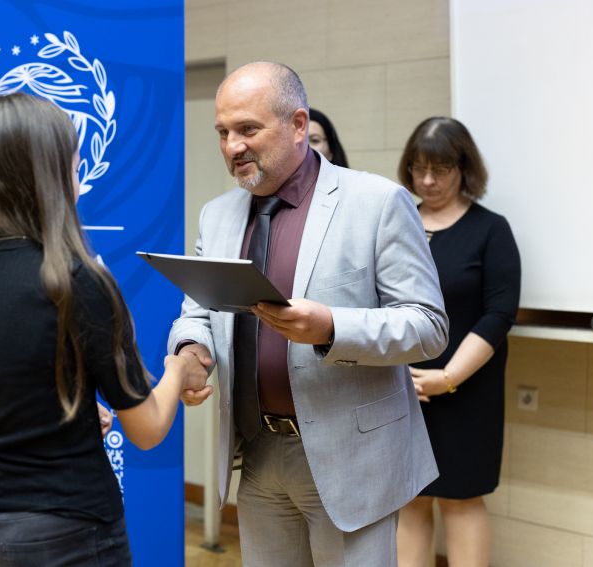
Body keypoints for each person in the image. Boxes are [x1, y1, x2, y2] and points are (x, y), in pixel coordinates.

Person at [0, 92, 207, 567]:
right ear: (50, 171)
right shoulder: (77, 281)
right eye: (73, 158)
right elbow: (146, 429)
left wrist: (50, 413)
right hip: (70, 529)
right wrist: (180, 367)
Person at [168, 61, 449, 567]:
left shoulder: (377, 202)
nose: (233, 146)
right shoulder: (218, 214)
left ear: (298, 125)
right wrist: (191, 349)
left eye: (248, 129)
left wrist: (332, 328)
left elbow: (428, 326)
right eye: (223, 132)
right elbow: (199, 311)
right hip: (256, 455)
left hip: (351, 461)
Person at [395, 117, 521, 567]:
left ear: (464, 168)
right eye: (418, 168)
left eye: (440, 170)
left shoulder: (491, 230)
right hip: (402, 390)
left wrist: (446, 378)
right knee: (410, 498)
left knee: (460, 498)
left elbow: (499, 314)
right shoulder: (397, 221)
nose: (427, 181)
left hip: (466, 389)